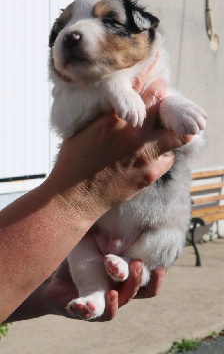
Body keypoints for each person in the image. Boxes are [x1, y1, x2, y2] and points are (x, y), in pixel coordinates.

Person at [0, 78, 190, 324]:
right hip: (100, 230)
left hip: (149, 229)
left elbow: (188, 139)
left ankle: (120, 274)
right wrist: (76, 199)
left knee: (148, 255)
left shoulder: (153, 80)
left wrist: (44, 297)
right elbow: (63, 121)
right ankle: (94, 292)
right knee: (82, 251)